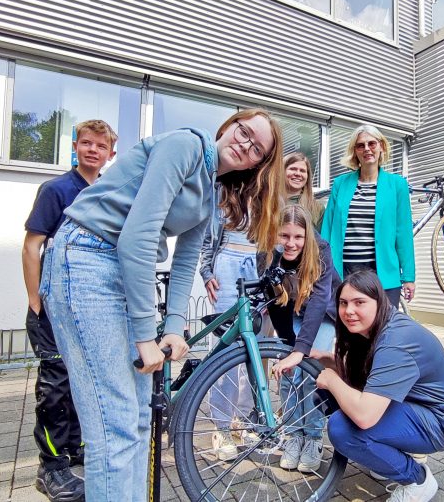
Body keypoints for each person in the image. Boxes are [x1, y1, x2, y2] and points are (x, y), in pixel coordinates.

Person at [41, 109, 285, 501]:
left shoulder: (212, 188)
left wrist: (173, 326)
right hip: (86, 258)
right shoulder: (185, 146)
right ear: (228, 127)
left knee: (138, 419)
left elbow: (186, 259)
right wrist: (144, 335)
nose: (246, 145)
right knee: (115, 425)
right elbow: (137, 237)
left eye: (257, 148)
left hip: (118, 269)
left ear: (259, 163)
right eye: (244, 132)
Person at [22, 119, 117, 502]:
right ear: (75, 146)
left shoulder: (108, 193)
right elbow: (32, 246)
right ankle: (51, 467)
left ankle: (75, 447)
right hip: (52, 306)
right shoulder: (57, 190)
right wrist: (35, 298)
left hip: (88, 307)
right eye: (86, 143)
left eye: (100, 146)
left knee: (83, 379)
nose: (93, 150)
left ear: (111, 153)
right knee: (57, 385)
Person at [314, 270, 444, 502]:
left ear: (378, 301)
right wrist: (326, 359)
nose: (348, 311)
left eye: (359, 302)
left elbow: (364, 416)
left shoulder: (396, 342)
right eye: (343, 303)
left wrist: (332, 379)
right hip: (412, 405)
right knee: (331, 394)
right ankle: (389, 456)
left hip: (438, 421)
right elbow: (370, 372)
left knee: (343, 428)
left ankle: (418, 480)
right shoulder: (379, 325)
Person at [265, 204, 341, 473]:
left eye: (298, 237)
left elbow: (320, 301)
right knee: (288, 374)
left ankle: (312, 437)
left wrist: (301, 350)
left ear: (307, 235)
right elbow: (273, 299)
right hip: (291, 311)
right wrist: (289, 346)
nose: (291, 243)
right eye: (285, 236)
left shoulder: (320, 250)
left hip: (323, 314)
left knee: (309, 373)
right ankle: (293, 434)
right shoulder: (270, 251)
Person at [321, 124, 415, 307]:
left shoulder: (397, 185)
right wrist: (321, 269)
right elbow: (327, 228)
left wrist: (408, 277)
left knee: (383, 330)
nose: (367, 149)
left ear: (381, 147)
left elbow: (403, 233)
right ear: (355, 151)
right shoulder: (341, 184)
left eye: (372, 143)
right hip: (344, 272)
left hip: (382, 273)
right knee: (349, 329)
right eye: (360, 145)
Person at [197, 193, 261, 461]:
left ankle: (243, 421)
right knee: (225, 349)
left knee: (252, 350)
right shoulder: (222, 195)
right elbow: (205, 237)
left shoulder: (263, 195)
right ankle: (221, 426)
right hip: (226, 265)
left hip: (255, 268)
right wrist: (206, 272)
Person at [284, 152, 324, 229]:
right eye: (293, 169)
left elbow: (320, 240)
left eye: (302, 171)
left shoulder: (317, 208)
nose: (298, 174)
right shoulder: (269, 203)